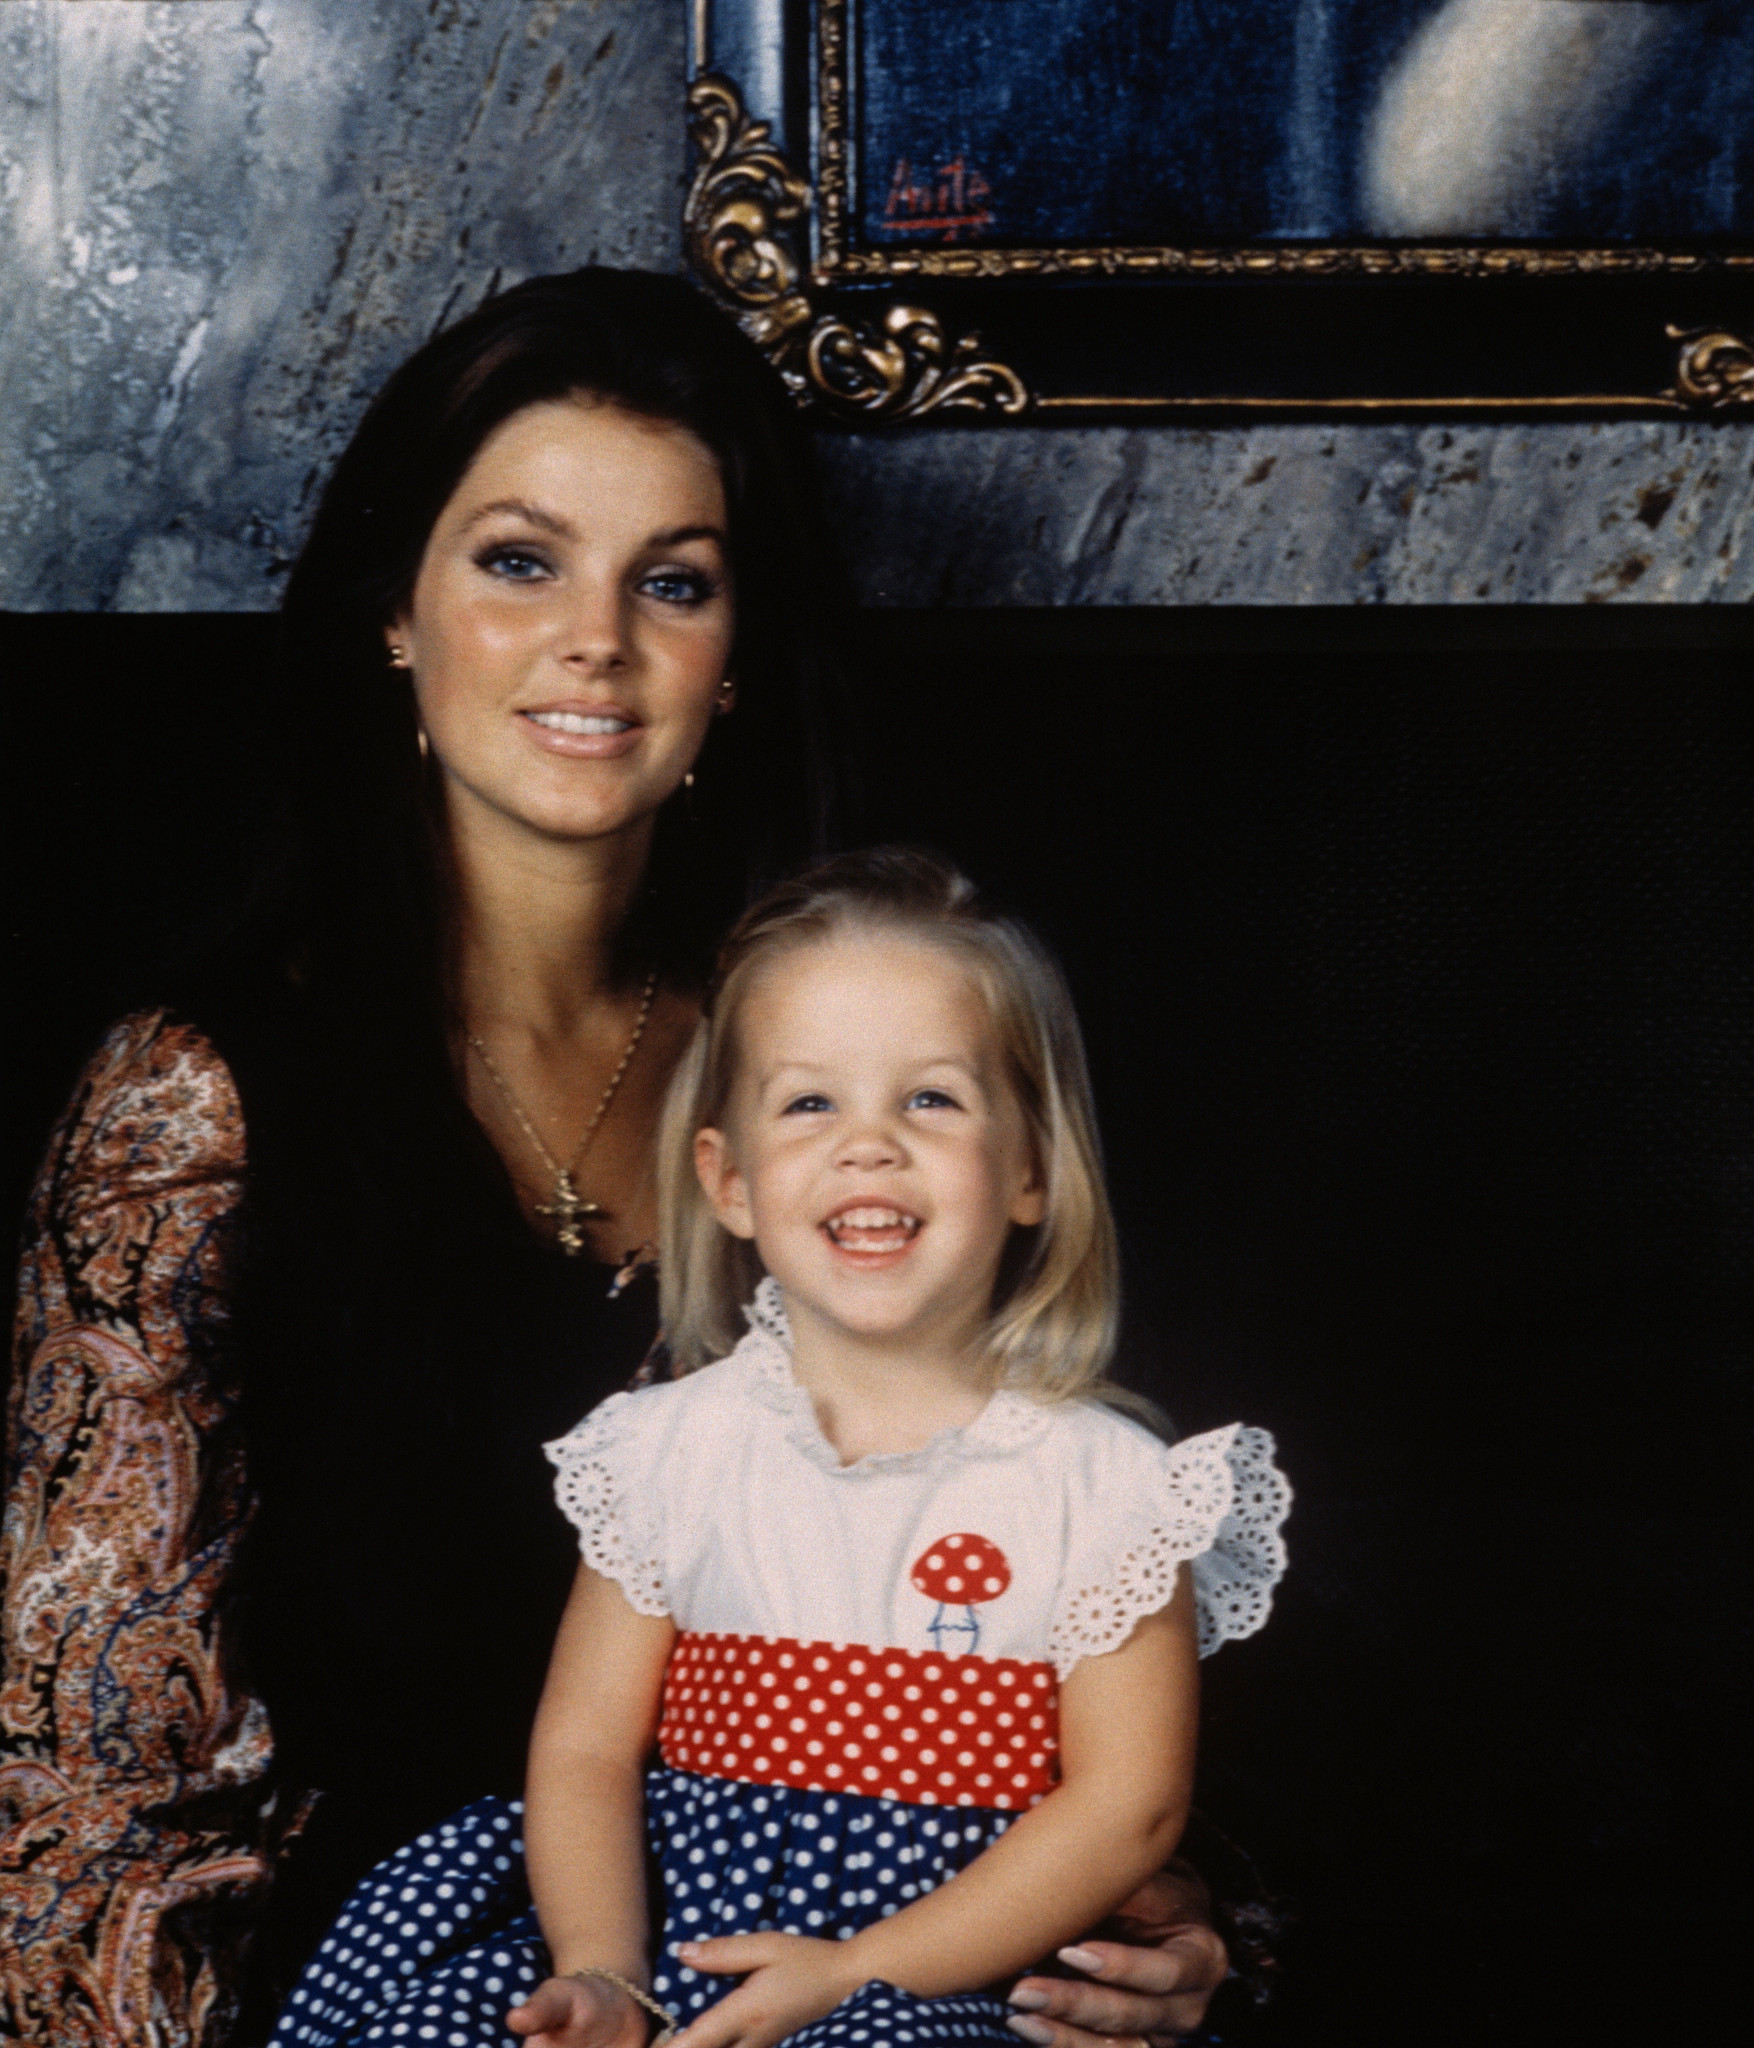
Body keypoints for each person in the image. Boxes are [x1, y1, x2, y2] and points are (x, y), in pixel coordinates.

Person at [1, 272, 1235, 2048]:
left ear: (730, 658)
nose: (596, 638)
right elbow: (85, 1770)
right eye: (519, 560)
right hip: (391, 1952)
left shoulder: (842, 1077)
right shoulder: (204, 1103)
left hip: (836, 1948)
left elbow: (1042, 1551)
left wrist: (1159, 1915)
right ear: (394, 618)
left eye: (671, 579)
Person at [265, 848, 1291, 2048]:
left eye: (931, 1098)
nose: (868, 1145)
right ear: (729, 1179)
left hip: (949, 1970)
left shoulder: (1106, 1483)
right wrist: (604, 1970)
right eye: (810, 1101)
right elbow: (588, 1742)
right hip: (672, 1946)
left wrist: (860, 1969)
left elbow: (1128, 1804)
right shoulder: (671, 1449)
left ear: (1029, 1169)